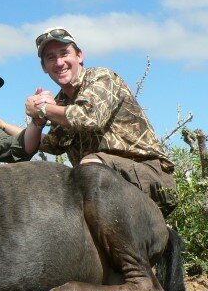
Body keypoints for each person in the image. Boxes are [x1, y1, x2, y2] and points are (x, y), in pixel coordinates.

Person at [24, 27, 177, 216]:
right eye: (50, 58)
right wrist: (6, 125)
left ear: (79, 55)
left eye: (64, 53)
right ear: (44, 67)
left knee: (90, 166)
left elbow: (88, 117)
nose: (59, 62)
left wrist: (43, 109)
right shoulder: (62, 101)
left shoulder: (101, 78)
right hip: (105, 186)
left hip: (150, 177)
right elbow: (52, 144)